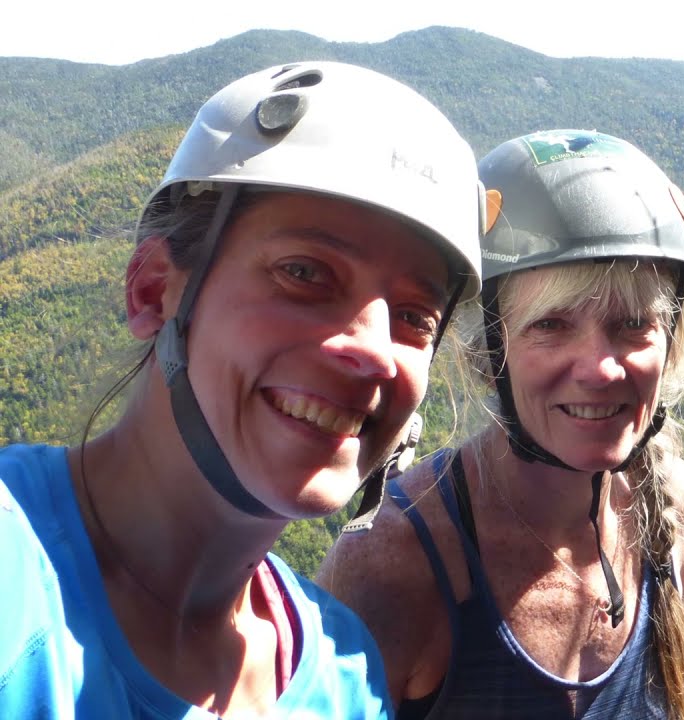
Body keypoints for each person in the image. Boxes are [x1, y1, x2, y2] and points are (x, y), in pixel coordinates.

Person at [0, 61, 483, 718]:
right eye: (304, 272)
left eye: (414, 318)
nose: (372, 352)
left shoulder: (348, 675)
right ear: (152, 291)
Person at [318, 129, 684, 719]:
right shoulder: (395, 564)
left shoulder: (671, 511)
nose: (602, 369)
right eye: (551, 324)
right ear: (489, 353)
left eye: (634, 322)